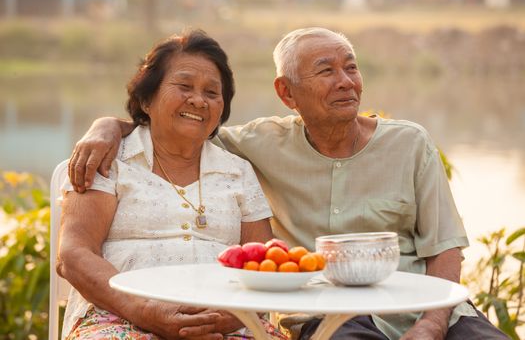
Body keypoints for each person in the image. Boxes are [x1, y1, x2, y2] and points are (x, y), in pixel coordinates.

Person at [68, 27, 509, 340]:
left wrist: (431, 326)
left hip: (424, 312)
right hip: (329, 317)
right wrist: (107, 125)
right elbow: (175, 127)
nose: (345, 82)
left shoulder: (409, 144)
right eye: (326, 71)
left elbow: (445, 248)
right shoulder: (247, 147)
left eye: (350, 68)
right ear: (286, 93)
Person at [57, 30, 287, 340]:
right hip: (117, 317)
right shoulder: (109, 159)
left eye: (211, 92)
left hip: (225, 322)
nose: (198, 100)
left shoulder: (238, 172)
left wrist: (220, 321)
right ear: (146, 98)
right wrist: (145, 311)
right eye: (183, 85)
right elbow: (74, 254)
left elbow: (262, 266)